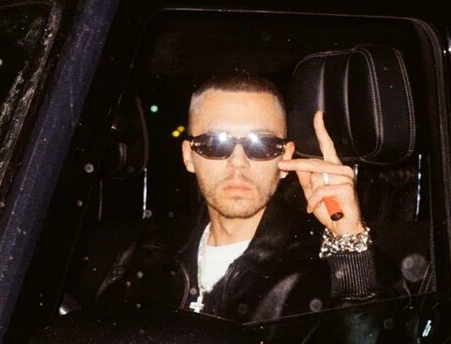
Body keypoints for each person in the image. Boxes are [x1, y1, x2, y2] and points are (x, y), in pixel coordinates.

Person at [97, 70, 390, 322]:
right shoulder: (147, 256)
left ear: (285, 158)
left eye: (261, 144)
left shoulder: (319, 266)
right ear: (188, 156)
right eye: (215, 143)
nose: (238, 162)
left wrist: (350, 242)